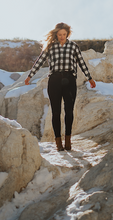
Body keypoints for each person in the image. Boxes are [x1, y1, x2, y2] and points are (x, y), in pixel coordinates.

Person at [25, 22, 96, 152]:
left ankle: (68, 140)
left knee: (69, 111)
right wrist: (30, 76)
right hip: (54, 80)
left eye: (64, 34)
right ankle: (58, 142)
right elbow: (39, 61)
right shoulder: (50, 47)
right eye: (59, 34)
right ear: (56, 34)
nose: (62, 37)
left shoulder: (73, 46)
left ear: (67, 34)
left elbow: (81, 62)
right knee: (56, 112)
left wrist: (89, 77)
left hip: (69, 80)